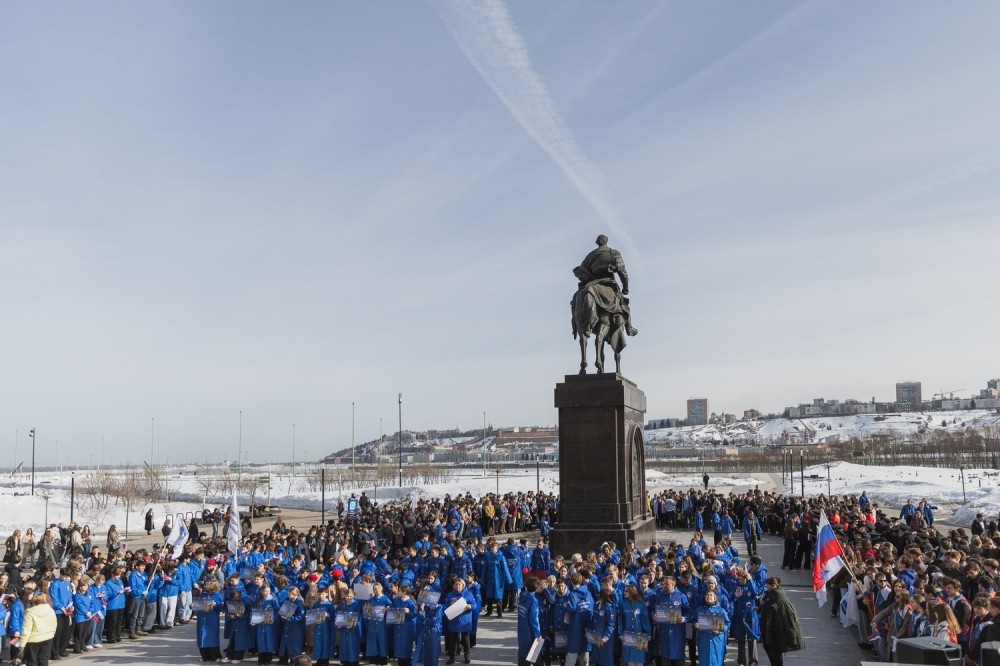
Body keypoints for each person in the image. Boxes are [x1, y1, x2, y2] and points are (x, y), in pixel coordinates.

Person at [572, 235, 638, 336]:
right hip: (608, 284)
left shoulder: (589, 256)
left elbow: (582, 270)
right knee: (624, 305)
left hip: (592, 284)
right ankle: (629, 328)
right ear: (606, 242)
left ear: (597, 242)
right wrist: (625, 287)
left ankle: (577, 326)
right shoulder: (614, 253)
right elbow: (622, 272)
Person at [759, 577, 804, 666]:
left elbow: (778, 612)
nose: (766, 586)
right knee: (767, 647)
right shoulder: (771, 594)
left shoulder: (778, 597)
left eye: (768, 585)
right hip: (769, 627)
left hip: (776, 629)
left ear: (774, 585)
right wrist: (760, 608)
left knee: (776, 650)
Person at [443, 577, 475, 665]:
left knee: (465, 639)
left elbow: (475, 605)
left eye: (459, 585)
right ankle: (452, 657)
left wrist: (470, 606)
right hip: (454, 620)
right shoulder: (450, 595)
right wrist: (449, 605)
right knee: (453, 640)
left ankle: (467, 656)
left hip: (464, 620)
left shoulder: (468, 594)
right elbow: (444, 607)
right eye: (456, 584)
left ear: (463, 586)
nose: (457, 586)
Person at [21, 592, 57, 666]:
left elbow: (26, 629)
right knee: (44, 660)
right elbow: (54, 623)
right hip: (48, 637)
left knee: (32, 661)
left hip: (33, 639)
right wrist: (51, 633)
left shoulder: (30, 612)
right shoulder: (50, 610)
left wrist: (22, 644)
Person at [695, 590, 730, 666]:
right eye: (707, 595)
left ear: (715, 598)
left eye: (711, 595)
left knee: (716, 659)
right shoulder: (699, 610)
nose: (709, 597)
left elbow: (728, 623)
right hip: (704, 638)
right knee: (704, 659)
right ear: (704, 597)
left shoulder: (721, 610)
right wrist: (695, 625)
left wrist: (720, 629)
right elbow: (693, 621)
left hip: (717, 639)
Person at [517, 577, 542, 666]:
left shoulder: (523, 596)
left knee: (523, 656)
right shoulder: (533, 600)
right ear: (536, 587)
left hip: (522, 631)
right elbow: (534, 619)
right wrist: (537, 635)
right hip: (531, 634)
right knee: (536, 659)